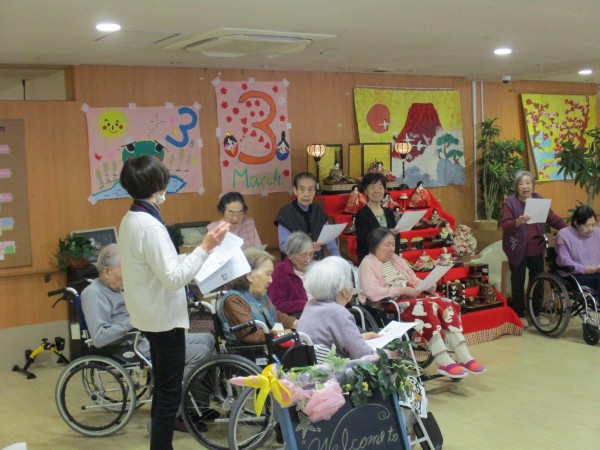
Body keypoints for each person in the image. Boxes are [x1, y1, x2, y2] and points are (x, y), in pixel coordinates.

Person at [118, 154, 229, 450]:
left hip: (150, 315)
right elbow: (173, 278)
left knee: (163, 390)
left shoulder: (132, 218)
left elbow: (158, 267)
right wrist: (205, 247)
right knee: (169, 394)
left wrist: (195, 254)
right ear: (159, 185)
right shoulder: (149, 226)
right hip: (163, 319)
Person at [81, 244, 215, 430]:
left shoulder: (119, 288)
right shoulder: (93, 294)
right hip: (127, 347)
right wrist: (134, 320)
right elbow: (100, 337)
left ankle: (198, 406)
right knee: (198, 353)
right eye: (124, 272)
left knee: (207, 339)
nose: (129, 277)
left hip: (143, 337)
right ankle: (173, 412)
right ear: (107, 271)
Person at [358, 227, 486, 378]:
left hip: (411, 296)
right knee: (426, 306)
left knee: (445, 302)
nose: (392, 248)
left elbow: (413, 279)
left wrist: (427, 284)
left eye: (393, 244)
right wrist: (402, 290)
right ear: (375, 245)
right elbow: (373, 292)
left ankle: (464, 355)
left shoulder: (396, 259)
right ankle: (443, 359)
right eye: (387, 245)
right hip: (391, 303)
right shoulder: (367, 264)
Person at [501, 170, 567, 328]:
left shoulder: (538, 199)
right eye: (521, 183)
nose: (525, 186)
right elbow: (506, 225)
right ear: (516, 187)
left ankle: (536, 313)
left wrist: (568, 229)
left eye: (528, 183)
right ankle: (519, 314)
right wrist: (519, 221)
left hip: (536, 248)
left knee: (538, 280)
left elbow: (552, 218)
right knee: (518, 281)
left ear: (533, 185)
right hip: (517, 249)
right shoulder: (510, 202)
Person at [297, 256, 380, 359]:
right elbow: (363, 354)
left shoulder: (310, 305)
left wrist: (360, 338)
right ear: (343, 290)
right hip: (334, 368)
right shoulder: (338, 313)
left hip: (312, 366)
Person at [218, 247, 298, 344]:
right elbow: (253, 335)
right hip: (251, 350)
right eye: (267, 274)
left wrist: (299, 324)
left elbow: (276, 316)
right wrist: (285, 333)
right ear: (250, 276)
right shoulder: (233, 300)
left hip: (270, 343)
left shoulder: (259, 294)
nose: (271, 280)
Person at [274, 172, 340, 260]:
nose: (306, 194)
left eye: (310, 189)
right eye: (302, 189)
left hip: (316, 263)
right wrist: (306, 248)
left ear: (315, 191)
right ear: (295, 190)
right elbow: (283, 246)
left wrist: (338, 260)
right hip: (294, 264)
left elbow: (330, 241)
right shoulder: (286, 212)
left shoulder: (318, 210)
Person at [355, 171, 400, 264]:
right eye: (372, 187)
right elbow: (364, 241)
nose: (377, 191)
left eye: (380, 187)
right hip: (371, 262)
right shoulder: (361, 214)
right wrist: (386, 235)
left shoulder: (389, 212)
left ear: (384, 190)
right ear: (365, 191)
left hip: (390, 261)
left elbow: (396, 240)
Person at [267, 231, 314, 318]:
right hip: (298, 318)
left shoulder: (315, 268)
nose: (308, 260)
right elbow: (276, 305)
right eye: (303, 255)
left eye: (311, 254)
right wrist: (305, 304)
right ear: (290, 255)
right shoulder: (281, 271)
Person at [556, 205, 600, 294]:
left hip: (596, 272)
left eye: (593, 224)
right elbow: (565, 260)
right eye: (587, 226)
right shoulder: (563, 235)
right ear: (576, 223)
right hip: (575, 275)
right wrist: (584, 269)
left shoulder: (597, 232)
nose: (591, 229)